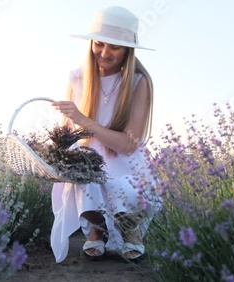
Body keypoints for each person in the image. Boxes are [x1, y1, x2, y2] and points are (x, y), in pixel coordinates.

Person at [50, 6, 162, 263]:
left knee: (118, 184)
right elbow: (68, 133)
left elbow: (128, 146)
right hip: (88, 159)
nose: (105, 53)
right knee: (85, 179)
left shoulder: (137, 81)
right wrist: (55, 155)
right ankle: (96, 229)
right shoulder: (76, 78)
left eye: (115, 47)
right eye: (99, 44)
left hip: (125, 162)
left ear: (128, 51)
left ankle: (129, 228)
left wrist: (84, 120)